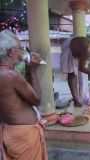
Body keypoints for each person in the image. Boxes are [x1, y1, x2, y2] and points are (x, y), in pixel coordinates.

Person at [0, 30, 48, 159]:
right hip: (23, 135)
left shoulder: (7, 74)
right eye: (19, 49)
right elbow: (36, 99)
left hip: (11, 131)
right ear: (10, 52)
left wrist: (28, 70)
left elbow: (22, 93)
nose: (22, 52)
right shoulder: (11, 75)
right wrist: (33, 69)